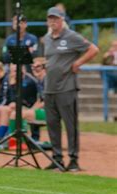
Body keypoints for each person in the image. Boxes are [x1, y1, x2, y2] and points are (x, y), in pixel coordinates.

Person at [43, 7, 99, 171]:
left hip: (66, 87)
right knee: (52, 125)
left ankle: (73, 160)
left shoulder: (71, 36)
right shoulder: (47, 39)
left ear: (62, 20)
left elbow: (93, 49)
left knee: (70, 125)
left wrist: (77, 63)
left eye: (56, 18)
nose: (53, 21)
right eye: (50, 19)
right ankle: (57, 158)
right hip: (49, 88)